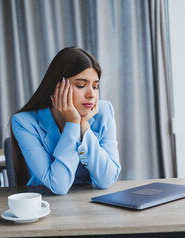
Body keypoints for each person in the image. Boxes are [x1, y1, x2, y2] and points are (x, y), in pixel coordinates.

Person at [11, 47, 121, 195]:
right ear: (56, 87)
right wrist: (73, 124)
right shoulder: (24, 122)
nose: (91, 94)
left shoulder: (105, 111)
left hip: (90, 205)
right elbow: (58, 186)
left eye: (95, 86)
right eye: (81, 85)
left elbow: (107, 180)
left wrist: (84, 128)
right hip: (46, 203)